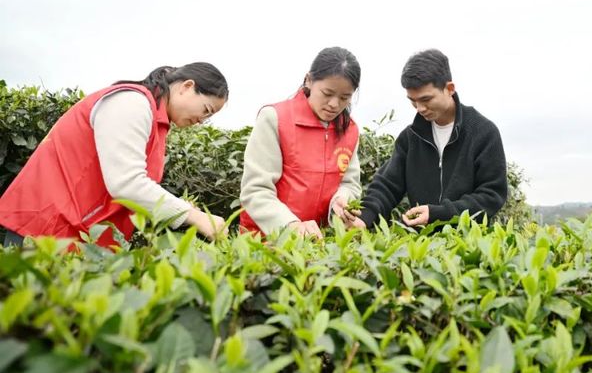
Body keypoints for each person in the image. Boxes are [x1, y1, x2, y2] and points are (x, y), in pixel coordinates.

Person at [0, 63, 230, 248]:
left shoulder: (156, 119)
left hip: (74, 237)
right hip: (46, 232)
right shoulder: (132, 103)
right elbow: (126, 182)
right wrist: (194, 216)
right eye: (206, 109)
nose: (202, 120)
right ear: (187, 86)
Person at [352, 49, 507, 229]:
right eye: (413, 101)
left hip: (469, 246)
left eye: (426, 99)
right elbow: (387, 186)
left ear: (449, 89)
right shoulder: (410, 138)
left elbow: (491, 196)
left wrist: (437, 214)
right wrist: (365, 217)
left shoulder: (483, 133)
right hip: (423, 248)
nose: (419, 108)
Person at [239, 47, 362, 238]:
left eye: (344, 98)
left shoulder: (350, 130)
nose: (334, 104)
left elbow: (350, 183)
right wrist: (291, 225)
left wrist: (341, 200)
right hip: (265, 240)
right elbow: (256, 190)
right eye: (327, 93)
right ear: (309, 80)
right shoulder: (275, 118)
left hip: (318, 243)